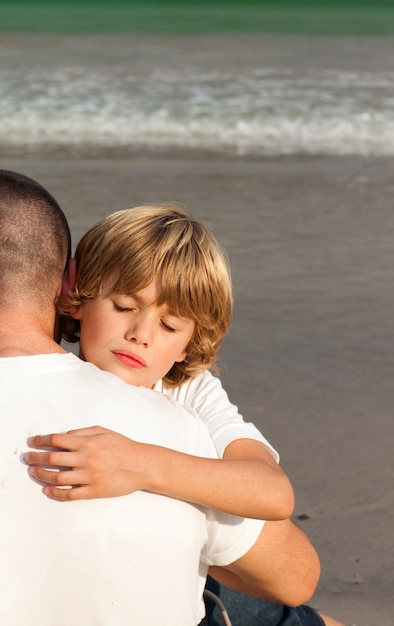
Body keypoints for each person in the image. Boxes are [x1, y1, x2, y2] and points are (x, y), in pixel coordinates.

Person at [0, 169, 321, 626]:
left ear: (190, 343)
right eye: (124, 307)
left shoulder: (185, 392)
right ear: (77, 294)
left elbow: (273, 492)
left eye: (170, 327)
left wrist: (143, 463)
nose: (140, 335)